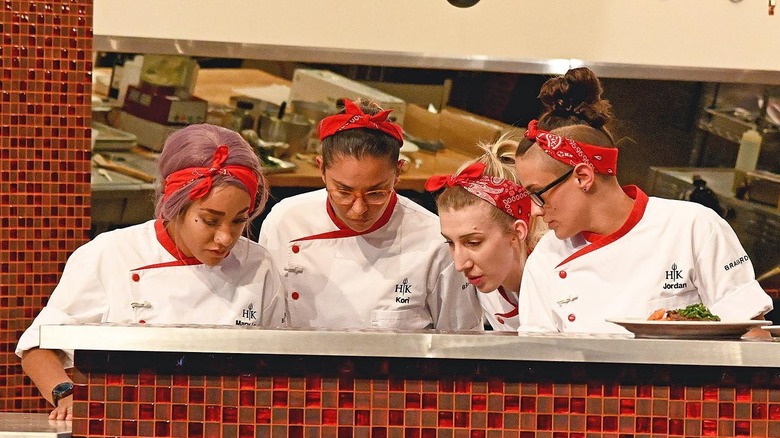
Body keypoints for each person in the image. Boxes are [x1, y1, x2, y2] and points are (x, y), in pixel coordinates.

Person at [16, 124, 288, 420]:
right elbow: (38, 348)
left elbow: (281, 362)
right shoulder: (110, 255)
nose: (225, 237)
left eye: (238, 221)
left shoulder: (258, 265)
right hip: (129, 421)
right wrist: (66, 394)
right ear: (175, 205)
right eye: (211, 220)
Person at [513, 68, 772, 333]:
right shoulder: (546, 258)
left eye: (538, 193)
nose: (534, 210)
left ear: (582, 176)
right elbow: (540, 362)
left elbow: (751, 333)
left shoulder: (693, 227)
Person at [258, 98, 482, 330]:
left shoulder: (436, 241)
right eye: (343, 192)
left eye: (376, 193)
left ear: (398, 172)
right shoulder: (286, 220)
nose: (359, 209)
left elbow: (459, 340)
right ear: (321, 169)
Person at [425, 139, 543, 330]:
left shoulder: (558, 280)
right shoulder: (487, 283)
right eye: (450, 242)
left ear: (517, 232)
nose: (460, 264)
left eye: (473, 243)